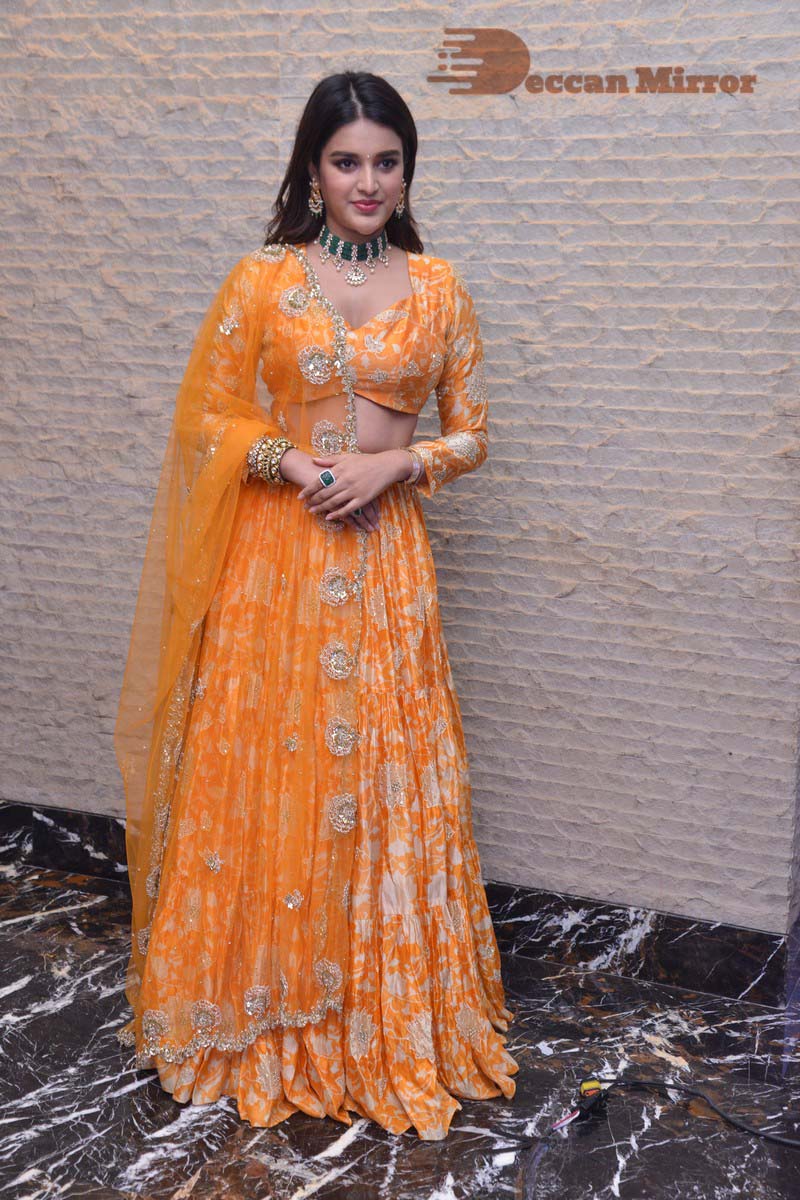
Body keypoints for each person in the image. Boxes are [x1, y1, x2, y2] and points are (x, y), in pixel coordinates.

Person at [114, 69, 518, 1141]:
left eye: (387, 161)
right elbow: (207, 417)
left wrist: (397, 466)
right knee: (272, 765)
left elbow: (474, 432)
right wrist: (292, 461)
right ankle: (265, 1008)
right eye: (346, 161)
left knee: (382, 772)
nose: (367, 181)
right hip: (276, 560)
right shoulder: (263, 278)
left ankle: (378, 1015)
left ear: (407, 170)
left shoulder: (438, 287)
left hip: (385, 562)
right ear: (312, 168)